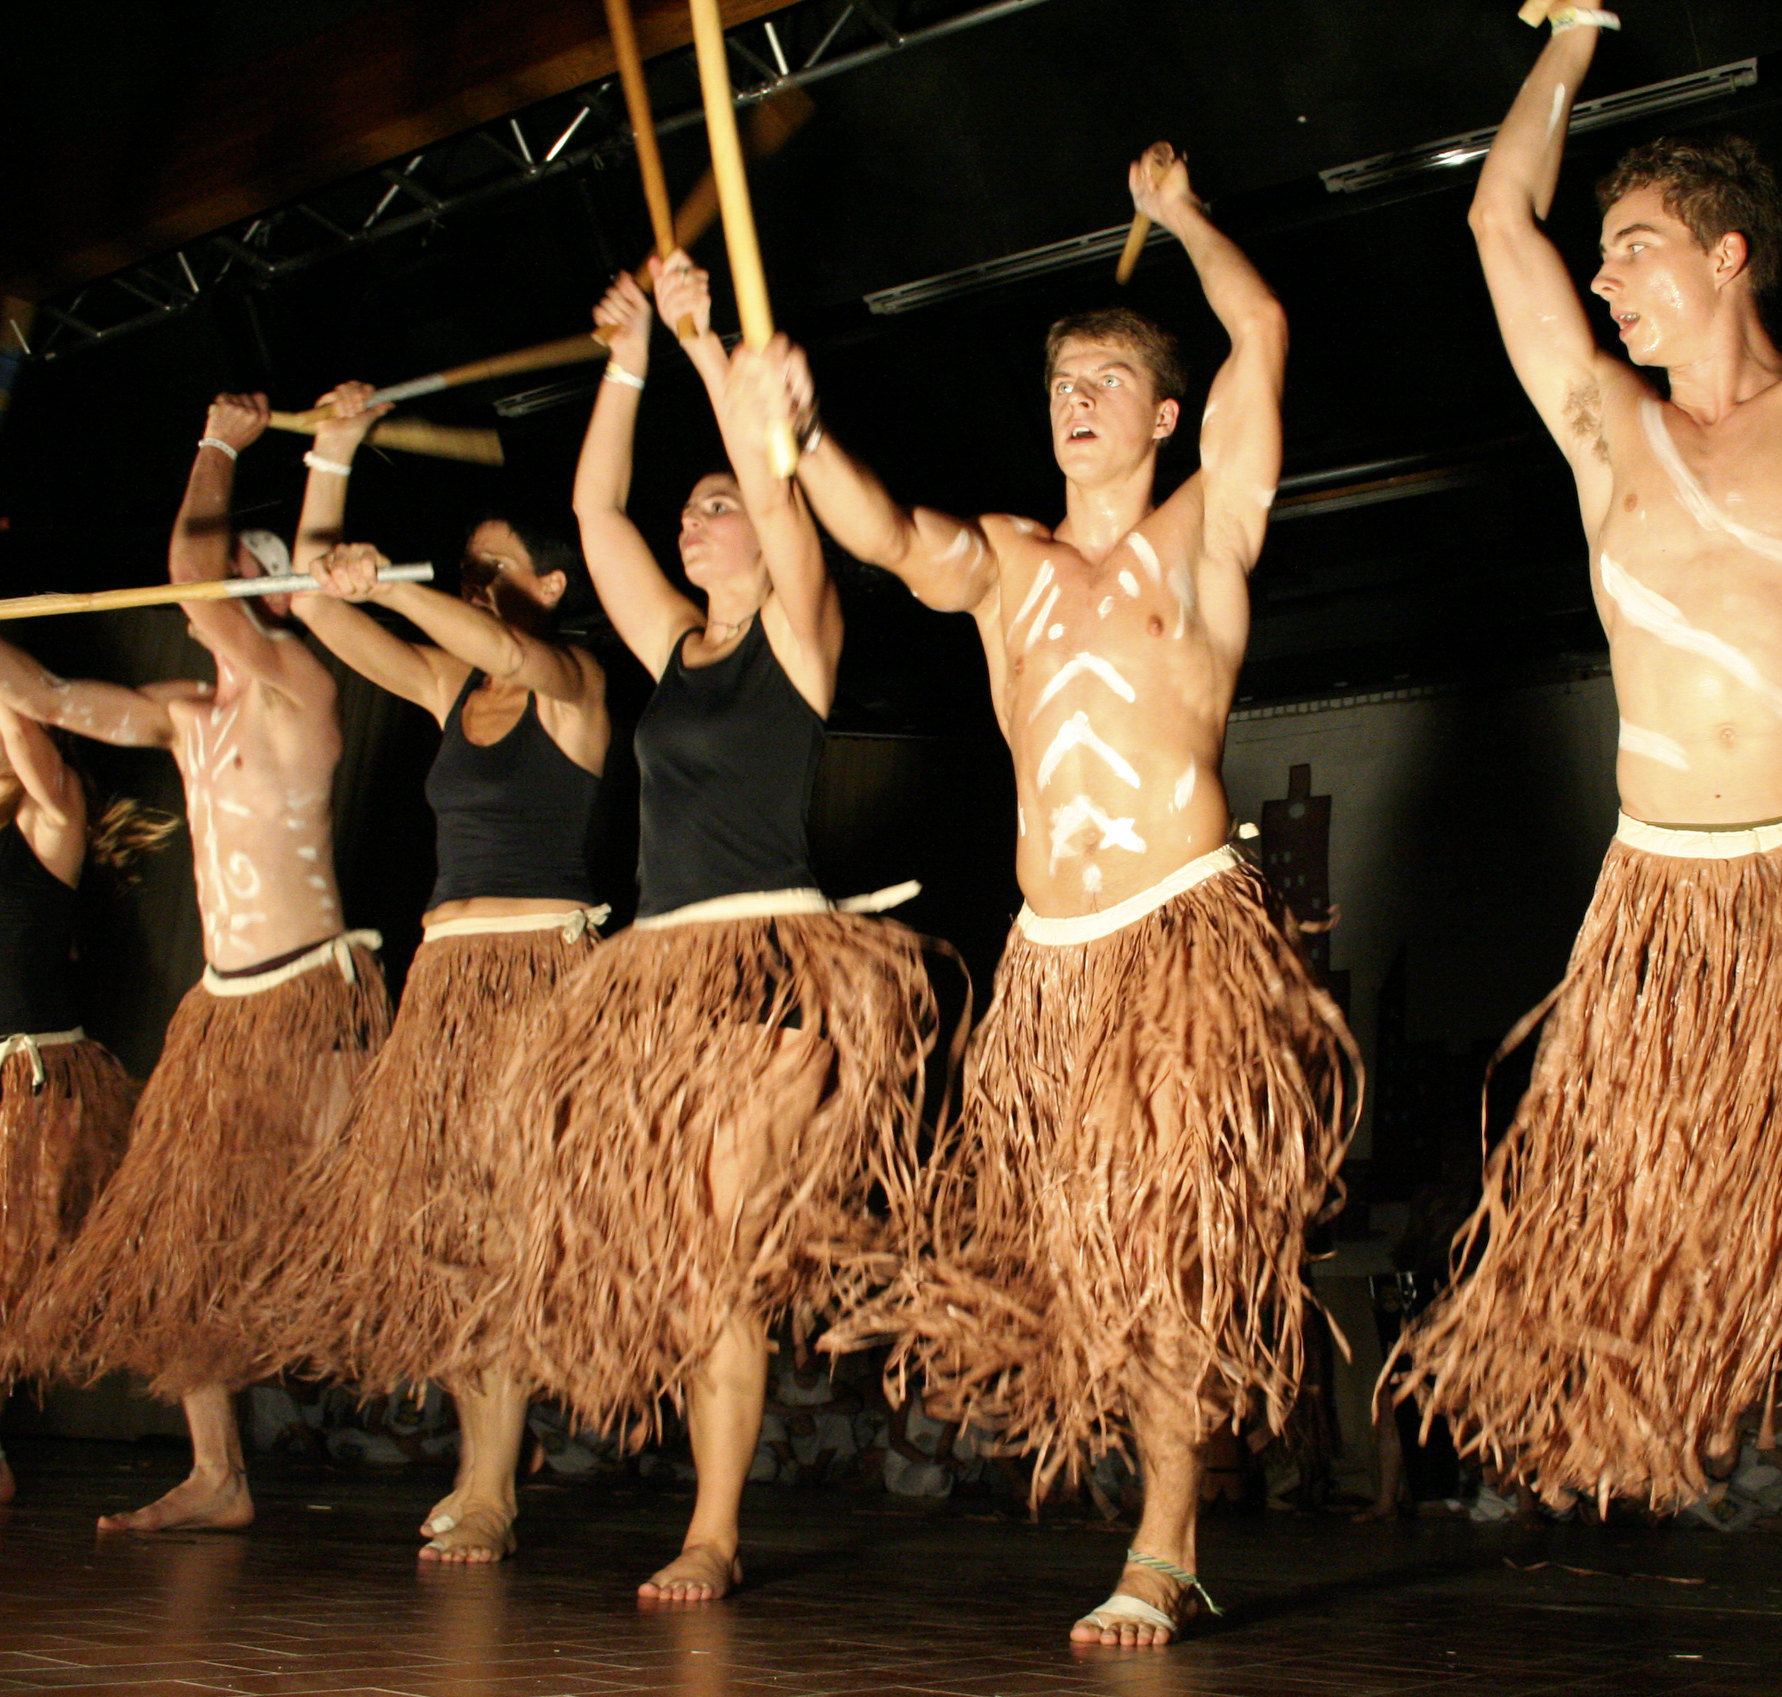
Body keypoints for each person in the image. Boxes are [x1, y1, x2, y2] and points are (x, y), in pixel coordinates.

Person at [1388, 4, 1782, 1693]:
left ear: (1728, 254)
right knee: (1676, 1277)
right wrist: (1568, 39)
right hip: (1671, 919)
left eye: (1634, 247)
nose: (1605, 281)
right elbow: (1494, 223)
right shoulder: (1604, 429)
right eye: (1604, 259)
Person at [767, 143, 1358, 1646]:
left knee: (1163, 1240)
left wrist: (1180, 221)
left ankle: (1166, 1545)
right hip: (1051, 960)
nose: (1074, 396)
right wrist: (801, 433)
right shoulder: (1009, 565)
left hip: (1178, 935)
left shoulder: (1203, 530)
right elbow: (889, 537)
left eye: (1104, 375)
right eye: (1059, 380)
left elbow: (1266, 337)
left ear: (1161, 414)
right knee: (1088, 1248)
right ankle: (1157, 1494)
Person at [485, 254, 935, 1600]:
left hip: (765, 974)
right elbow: (593, 507)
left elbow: (790, 509)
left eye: (719, 505)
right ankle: (695, 1496)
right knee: (677, 1263)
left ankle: (716, 1530)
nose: (694, 522)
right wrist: (627, 356)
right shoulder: (670, 645)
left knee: (717, 1264)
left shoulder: (800, 632)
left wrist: (703, 342)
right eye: (692, 505)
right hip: (658, 974)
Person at [0, 394, 391, 1532]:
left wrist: (222, 441)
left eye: (239, 579)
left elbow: (187, 574)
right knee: (176, 1237)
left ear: (269, 602)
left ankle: (479, 1460)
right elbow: (45, 699)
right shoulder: (183, 715)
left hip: (310, 998)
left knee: (378, 1223)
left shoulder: (301, 691)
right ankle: (219, 1471)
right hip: (222, 1014)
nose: (211, 599)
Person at [250, 382, 611, 1562]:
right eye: (467, 564)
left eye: (497, 563)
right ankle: (489, 1463)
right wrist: (335, 455)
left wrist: (393, 582)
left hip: (537, 981)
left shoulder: (574, 686)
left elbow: (502, 642)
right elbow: (317, 597)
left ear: (555, 585)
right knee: (455, 1228)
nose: (476, 577)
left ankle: (497, 1484)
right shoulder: (450, 689)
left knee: (507, 1226)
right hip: (444, 983)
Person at [0, 704, 157, 1504]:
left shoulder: (49, 819)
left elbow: (31, 751)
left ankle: (216, 1466)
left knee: (127, 1263)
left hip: (39, 1083)